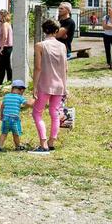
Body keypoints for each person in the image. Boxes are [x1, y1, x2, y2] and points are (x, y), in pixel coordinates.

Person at [30, 19, 68, 154]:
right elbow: (65, 68)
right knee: (55, 113)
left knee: (37, 112)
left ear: (43, 30)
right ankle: (52, 141)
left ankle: (43, 143)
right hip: (59, 85)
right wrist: (65, 86)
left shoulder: (40, 45)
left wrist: (34, 85)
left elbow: (38, 67)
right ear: (57, 31)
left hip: (45, 84)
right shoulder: (62, 46)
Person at [0, 80, 34, 152]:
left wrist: (1, 115)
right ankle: (17, 146)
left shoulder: (6, 96)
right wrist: (34, 100)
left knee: (4, 133)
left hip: (6, 118)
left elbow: (2, 106)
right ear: (21, 90)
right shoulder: (20, 97)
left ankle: (0, 147)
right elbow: (28, 104)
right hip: (14, 119)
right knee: (16, 134)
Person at [0, 10, 13, 86]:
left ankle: (7, 81)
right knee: (5, 65)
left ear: (2, 15)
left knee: (4, 65)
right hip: (6, 47)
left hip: (5, 47)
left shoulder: (4, 24)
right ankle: (3, 82)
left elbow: (5, 36)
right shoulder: (6, 24)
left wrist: (2, 47)